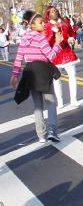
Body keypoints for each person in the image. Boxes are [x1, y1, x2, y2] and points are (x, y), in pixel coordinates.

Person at [10, 11, 63, 143]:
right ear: (32, 26)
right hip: (42, 71)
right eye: (41, 23)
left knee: (37, 105)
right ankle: (52, 131)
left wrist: (15, 75)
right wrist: (57, 43)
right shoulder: (40, 38)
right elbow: (50, 55)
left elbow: (19, 58)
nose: (44, 24)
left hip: (30, 72)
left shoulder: (24, 39)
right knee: (50, 102)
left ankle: (41, 135)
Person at [44, 6, 80, 109]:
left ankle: (74, 100)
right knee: (57, 79)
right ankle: (60, 102)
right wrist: (53, 32)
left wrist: (71, 38)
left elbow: (71, 33)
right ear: (48, 14)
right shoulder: (47, 25)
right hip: (55, 53)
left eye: (55, 11)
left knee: (72, 75)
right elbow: (46, 41)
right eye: (51, 11)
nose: (54, 12)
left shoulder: (64, 22)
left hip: (67, 51)